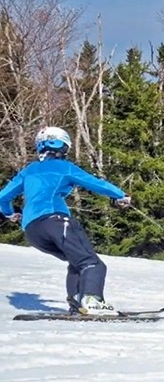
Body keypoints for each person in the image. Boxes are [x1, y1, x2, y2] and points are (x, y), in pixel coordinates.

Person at [0, 126, 131, 315]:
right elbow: (95, 183)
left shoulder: (29, 170)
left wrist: (10, 214)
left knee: (77, 261)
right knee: (91, 263)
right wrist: (120, 195)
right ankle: (93, 301)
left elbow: (2, 197)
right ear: (63, 146)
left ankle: (78, 303)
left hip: (32, 231)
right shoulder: (64, 167)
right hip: (55, 221)